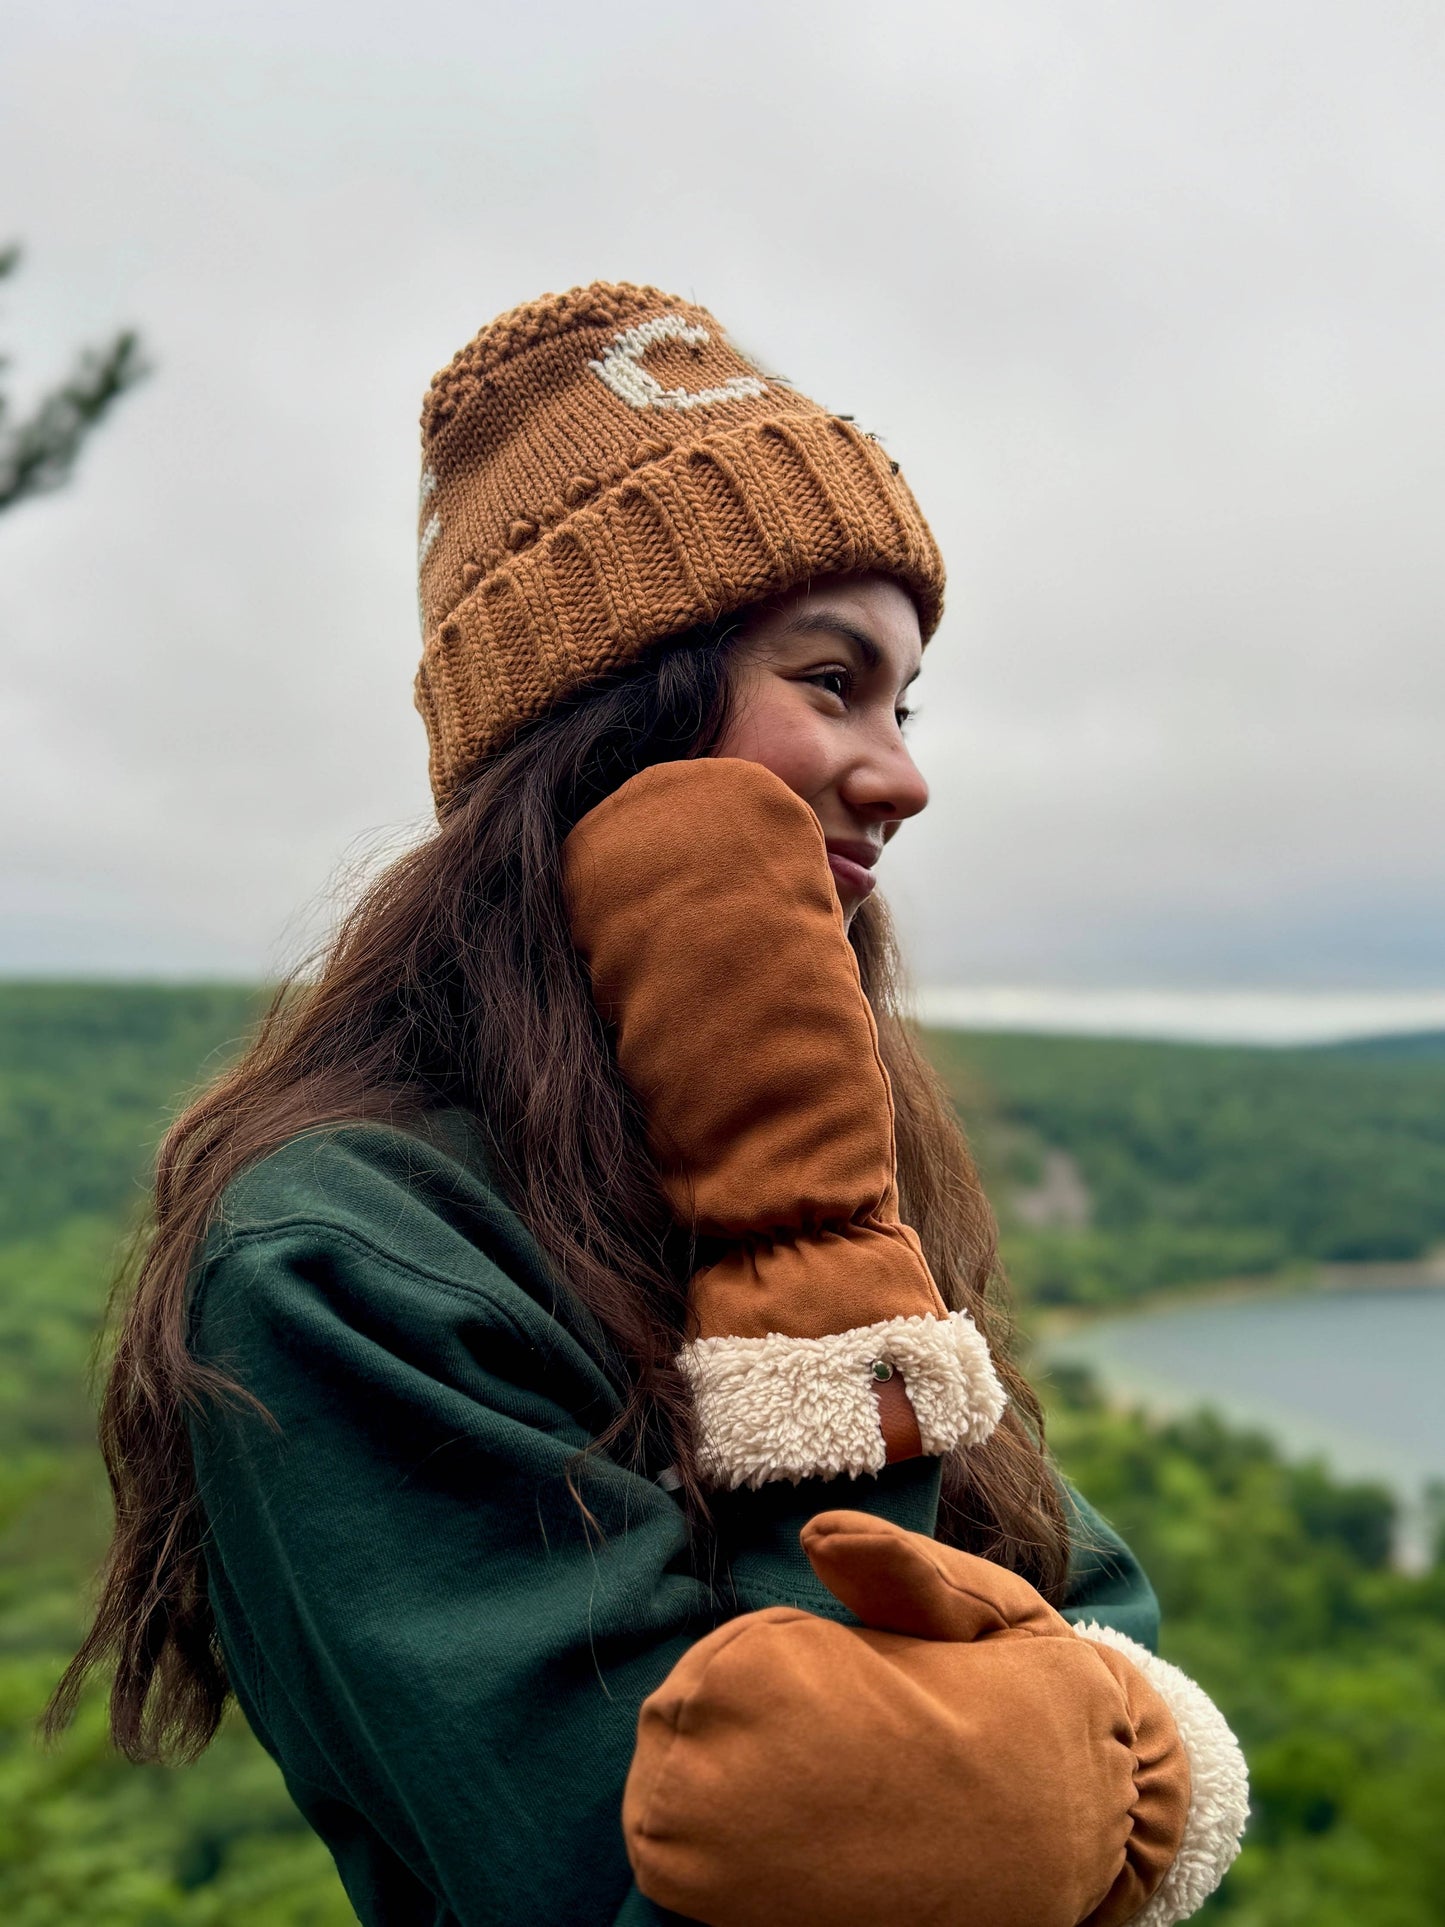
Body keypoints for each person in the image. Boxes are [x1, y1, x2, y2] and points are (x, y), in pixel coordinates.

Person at [49, 283, 1247, 1925]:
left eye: (905, 702)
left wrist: (1099, 1752)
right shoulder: (347, 1251)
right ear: (613, 713)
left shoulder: (828, 1137)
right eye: (832, 682)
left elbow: (1092, 1603)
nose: (901, 771)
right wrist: (801, 1277)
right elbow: (676, 1873)